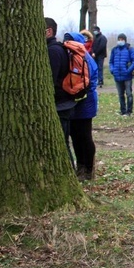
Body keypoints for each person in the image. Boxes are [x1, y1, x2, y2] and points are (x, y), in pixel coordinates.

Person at [66, 32, 99, 180]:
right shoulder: (71, 57)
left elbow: (91, 80)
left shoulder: (86, 58)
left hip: (85, 101)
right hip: (74, 101)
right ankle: (80, 167)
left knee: (85, 136)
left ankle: (89, 169)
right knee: (75, 136)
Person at [45, 17, 76, 163]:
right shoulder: (58, 48)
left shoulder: (53, 51)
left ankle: (70, 172)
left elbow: (50, 79)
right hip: (64, 103)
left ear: (49, 31)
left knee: (62, 144)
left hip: (60, 105)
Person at [109, 33, 134, 116]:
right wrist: (112, 70)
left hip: (127, 77)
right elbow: (111, 62)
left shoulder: (130, 49)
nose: (120, 41)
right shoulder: (114, 50)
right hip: (117, 76)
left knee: (129, 94)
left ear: (125, 40)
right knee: (120, 94)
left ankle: (129, 111)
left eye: (122, 39)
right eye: (119, 39)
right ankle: (123, 111)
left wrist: (128, 71)